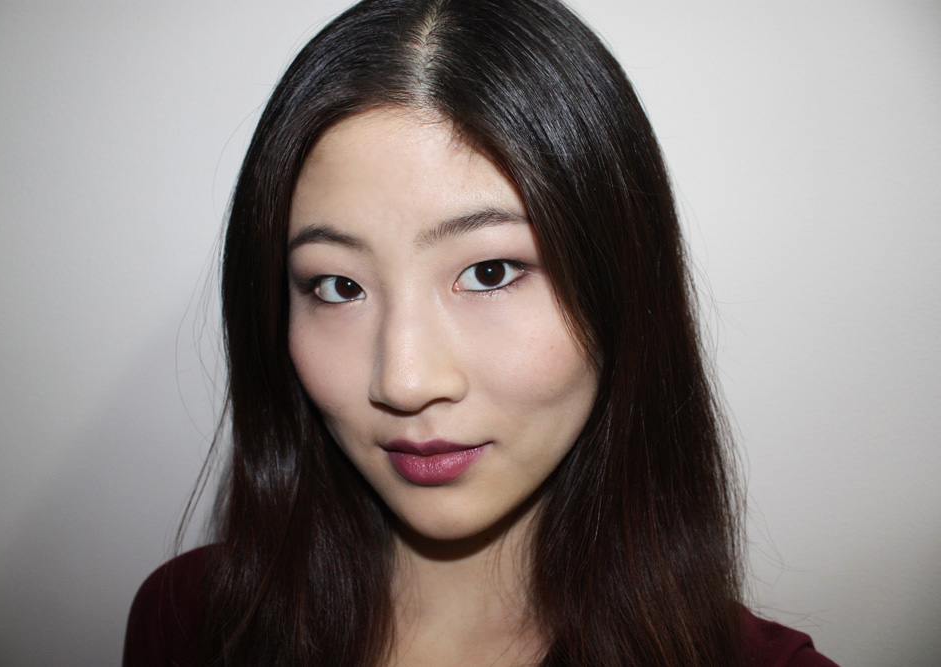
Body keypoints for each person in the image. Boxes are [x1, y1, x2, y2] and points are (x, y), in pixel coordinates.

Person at [124, 0, 839, 665]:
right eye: (339, 286)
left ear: (621, 286)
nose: (405, 381)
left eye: (490, 272)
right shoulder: (189, 623)